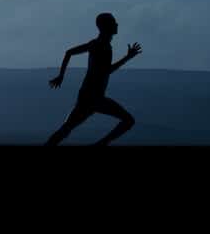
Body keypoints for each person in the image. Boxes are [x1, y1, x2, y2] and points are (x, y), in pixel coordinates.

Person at [44, 13, 142, 146]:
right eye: (114, 22)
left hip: (88, 96)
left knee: (66, 129)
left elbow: (69, 53)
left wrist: (61, 76)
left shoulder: (100, 45)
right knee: (128, 120)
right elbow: (107, 70)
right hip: (93, 97)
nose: (117, 24)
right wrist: (127, 57)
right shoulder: (99, 45)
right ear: (106, 26)